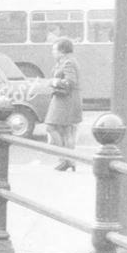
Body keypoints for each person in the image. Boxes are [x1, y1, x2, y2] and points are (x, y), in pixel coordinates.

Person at [45, 37, 83, 172]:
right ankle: (69, 161)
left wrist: (54, 82)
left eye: (54, 49)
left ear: (62, 51)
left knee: (51, 127)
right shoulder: (66, 61)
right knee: (66, 131)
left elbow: (70, 81)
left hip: (66, 100)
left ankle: (64, 159)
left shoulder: (68, 63)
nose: (52, 52)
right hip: (67, 99)